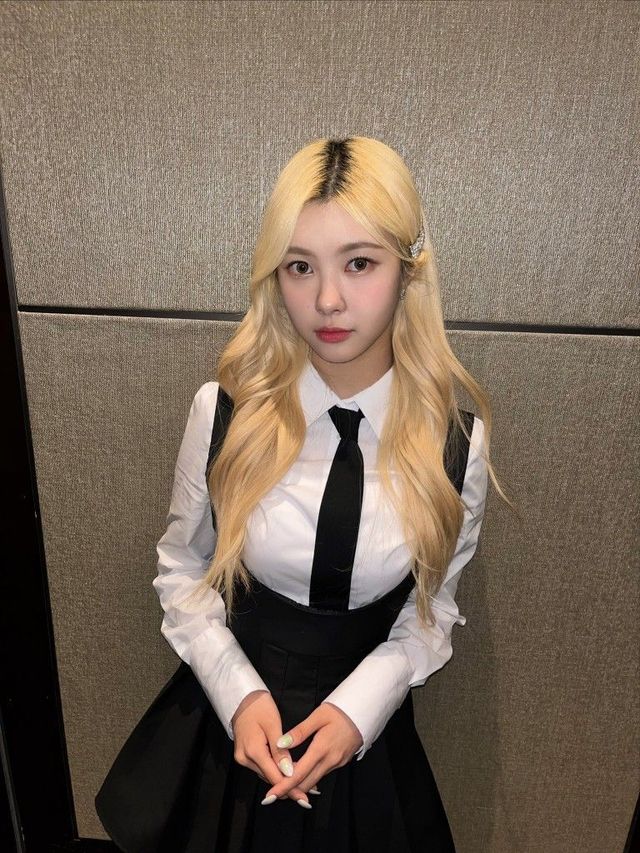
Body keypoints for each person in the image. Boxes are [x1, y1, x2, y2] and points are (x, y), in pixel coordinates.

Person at [95, 136, 505, 852]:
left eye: (359, 263)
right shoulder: (223, 414)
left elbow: (432, 610)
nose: (327, 299)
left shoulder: (455, 445)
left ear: (408, 272)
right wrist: (238, 694)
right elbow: (183, 569)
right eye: (299, 266)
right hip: (227, 738)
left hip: (363, 753)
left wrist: (361, 708)